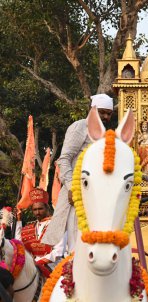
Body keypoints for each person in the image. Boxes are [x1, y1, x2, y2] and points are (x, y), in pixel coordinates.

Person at [42, 93, 114, 253]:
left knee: (94, 248)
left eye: (109, 113)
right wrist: (71, 187)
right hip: (76, 196)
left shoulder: (106, 134)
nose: (106, 116)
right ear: (92, 109)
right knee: (77, 249)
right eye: (102, 112)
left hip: (96, 196)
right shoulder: (80, 126)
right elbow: (64, 159)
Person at [15, 188, 64, 277]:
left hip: (53, 267)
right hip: (33, 268)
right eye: (35, 210)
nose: (37, 212)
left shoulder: (56, 224)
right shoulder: (30, 227)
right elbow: (19, 244)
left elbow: (58, 251)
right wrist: (18, 221)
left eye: (40, 209)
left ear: (47, 207)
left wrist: (39, 262)